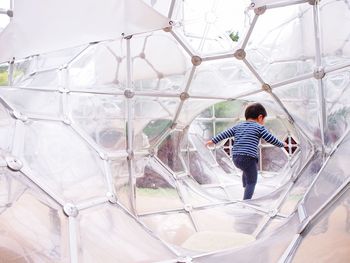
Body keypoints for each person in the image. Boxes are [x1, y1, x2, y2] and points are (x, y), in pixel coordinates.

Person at [205, 103, 287, 200]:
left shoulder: (238, 126)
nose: (263, 121)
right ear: (260, 117)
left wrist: (212, 141)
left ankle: (245, 187)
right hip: (249, 158)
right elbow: (271, 139)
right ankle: (246, 201)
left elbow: (225, 134)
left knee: (246, 170)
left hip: (236, 158)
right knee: (252, 181)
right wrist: (282, 144)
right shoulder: (259, 128)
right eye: (264, 119)